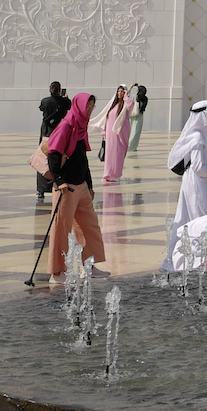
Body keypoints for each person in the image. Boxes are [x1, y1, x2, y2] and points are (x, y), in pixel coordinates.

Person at [44, 93, 107, 278]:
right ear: (78, 105)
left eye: (92, 107)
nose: (89, 110)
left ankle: (89, 267)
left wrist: (89, 184)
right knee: (61, 229)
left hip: (81, 187)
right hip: (66, 188)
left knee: (90, 228)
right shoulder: (66, 126)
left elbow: (82, 159)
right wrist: (60, 180)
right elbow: (53, 155)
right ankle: (56, 272)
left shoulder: (81, 127)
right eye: (87, 106)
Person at [162, 99, 207, 270]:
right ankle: (201, 257)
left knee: (186, 218)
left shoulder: (197, 136)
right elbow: (197, 167)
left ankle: (177, 259)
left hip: (194, 181)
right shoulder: (197, 138)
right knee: (199, 217)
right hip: (196, 182)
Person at [36, 81, 69, 204]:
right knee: (59, 160)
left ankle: (41, 190)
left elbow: (41, 108)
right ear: (60, 90)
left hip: (46, 133)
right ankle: (58, 183)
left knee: (43, 160)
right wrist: (65, 97)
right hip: (59, 133)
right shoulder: (65, 101)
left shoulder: (45, 101)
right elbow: (68, 106)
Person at [97, 86, 132, 184]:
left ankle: (116, 175)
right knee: (109, 155)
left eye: (122, 92)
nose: (120, 93)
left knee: (118, 154)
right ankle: (107, 174)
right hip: (110, 134)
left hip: (120, 134)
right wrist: (104, 132)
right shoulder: (113, 105)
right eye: (118, 91)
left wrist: (126, 96)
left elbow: (131, 104)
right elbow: (106, 118)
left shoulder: (125, 105)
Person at [127, 83, 149, 155]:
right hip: (139, 117)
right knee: (136, 133)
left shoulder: (134, 97)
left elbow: (126, 95)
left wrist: (131, 86)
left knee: (130, 132)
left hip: (131, 116)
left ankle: (128, 147)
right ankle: (133, 147)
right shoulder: (145, 99)